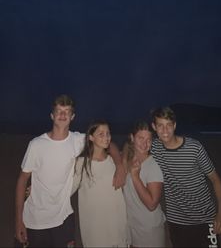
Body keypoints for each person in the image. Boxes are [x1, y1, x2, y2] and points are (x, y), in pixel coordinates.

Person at [15, 95, 125, 248]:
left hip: (64, 217)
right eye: (59, 111)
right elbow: (22, 180)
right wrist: (19, 220)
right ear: (52, 115)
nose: (62, 115)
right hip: (36, 219)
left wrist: (119, 165)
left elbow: (108, 143)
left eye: (67, 111)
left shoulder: (77, 140)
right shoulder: (36, 145)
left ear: (72, 117)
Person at [151, 106, 221, 248]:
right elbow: (131, 145)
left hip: (205, 218)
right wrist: (121, 164)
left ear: (174, 125)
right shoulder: (155, 147)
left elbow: (215, 180)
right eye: (160, 126)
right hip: (176, 221)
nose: (165, 130)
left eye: (168, 125)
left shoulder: (194, 148)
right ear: (154, 127)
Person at [71, 120, 128, 247]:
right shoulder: (81, 163)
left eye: (108, 133)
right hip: (94, 229)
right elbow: (67, 190)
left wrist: (120, 165)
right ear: (91, 137)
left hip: (116, 224)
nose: (106, 137)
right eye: (101, 134)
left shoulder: (114, 161)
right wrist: (40, 191)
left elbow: (128, 147)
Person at [122, 120, 166, 248]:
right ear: (132, 138)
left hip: (149, 229)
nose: (145, 143)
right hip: (133, 226)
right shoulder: (128, 159)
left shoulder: (153, 166)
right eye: (140, 138)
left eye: (149, 139)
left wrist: (136, 177)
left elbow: (152, 204)